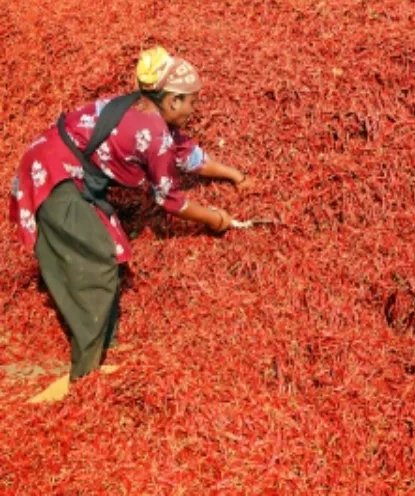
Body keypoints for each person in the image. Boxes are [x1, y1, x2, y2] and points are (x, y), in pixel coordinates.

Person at [8, 46, 250, 381]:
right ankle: (85, 374)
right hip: (55, 177)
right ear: (172, 101)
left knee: (109, 252)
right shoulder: (154, 135)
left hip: (61, 169)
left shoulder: (140, 108)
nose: (195, 109)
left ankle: (107, 347)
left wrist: (235, 175)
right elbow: (169, 200)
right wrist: (214, 218)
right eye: (191, 101)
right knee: (98, 264)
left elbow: (189, 155)